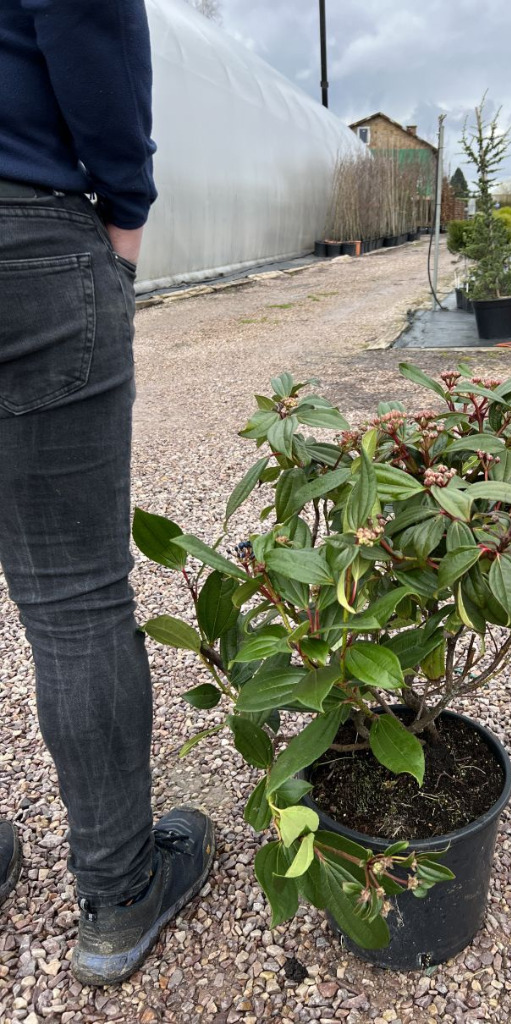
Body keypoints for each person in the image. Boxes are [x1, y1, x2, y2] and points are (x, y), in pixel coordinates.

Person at [0, 0, 215, 986]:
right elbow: (88, 27)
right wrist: (124, 218)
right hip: (26, 239)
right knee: (76, 596)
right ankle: (120, 890)